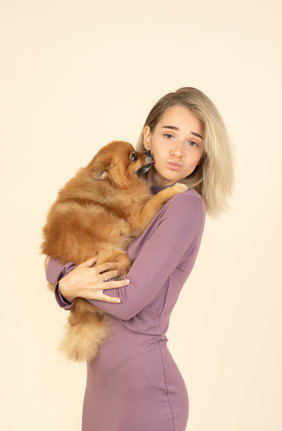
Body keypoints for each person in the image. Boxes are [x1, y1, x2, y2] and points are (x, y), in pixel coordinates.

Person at [45, 87, 234, 431]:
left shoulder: (184, 206)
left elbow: (128, 300)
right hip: (102, 386)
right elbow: (56, 254)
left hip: (145, 389)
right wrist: (66, 284)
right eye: (168, 135)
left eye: (193, 142)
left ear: (202, 154)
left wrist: (70, 284)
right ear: (147, 136)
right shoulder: (120, 186)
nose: (178, 151)